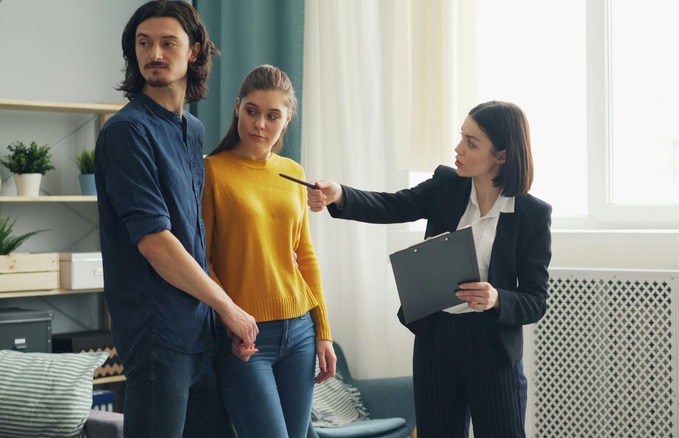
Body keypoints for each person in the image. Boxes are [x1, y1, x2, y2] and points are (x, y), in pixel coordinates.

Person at [307, 101, 552, 438]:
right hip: (437, 340)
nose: (458, 148)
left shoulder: (532, 214)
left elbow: (535, 300)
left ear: (502, 156)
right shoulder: (446, 185)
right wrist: (340, 195)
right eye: (461, 137)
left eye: (471, 142)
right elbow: (392, 204)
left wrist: (497, 298)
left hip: (492, 347)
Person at [94, 1, 259, 436]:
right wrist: (228, 307)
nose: (155, 54)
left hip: (198, 330)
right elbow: (156, 242)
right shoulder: (127, 131)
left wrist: (219, 316)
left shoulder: (194, 130)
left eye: (168, 43)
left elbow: (193, 236)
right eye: (144, 43)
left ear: (195, 51)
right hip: (156, 333)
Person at [202, 64, 337, 438]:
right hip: (246, 338)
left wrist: (323, 331)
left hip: (300, 331)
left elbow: (305, 256)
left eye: (272, 115)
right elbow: (204, 259)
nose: (259, 124)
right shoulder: (212, 171)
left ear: (287, 118)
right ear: (237, 108)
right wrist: (229, 318)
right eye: (252, 111)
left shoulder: (293, 172)